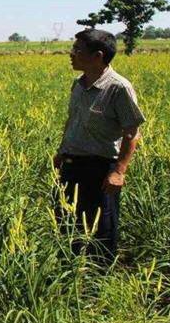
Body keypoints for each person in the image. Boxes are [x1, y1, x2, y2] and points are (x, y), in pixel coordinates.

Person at [54, 28, 145, 264]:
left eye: (78, 50)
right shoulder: (78, 84)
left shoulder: (118, 88)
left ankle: (101, 281)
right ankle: (69, 271)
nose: (71, 54)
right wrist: (61, 151)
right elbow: (72, 120)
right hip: (72, 163)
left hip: (101, 167)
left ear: (98, 56)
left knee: (102, 227)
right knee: (66, 222)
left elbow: (132, 133)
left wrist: (119, 171)